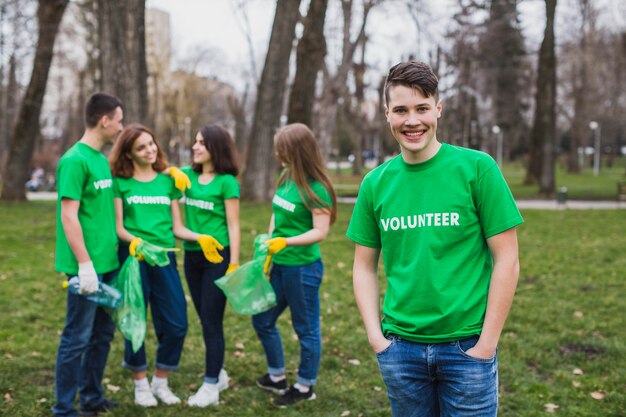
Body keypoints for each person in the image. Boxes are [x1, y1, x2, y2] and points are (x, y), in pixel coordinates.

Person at [346, 60, 524, 417]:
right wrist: (377, 340)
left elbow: (508, 260)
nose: (412, 121)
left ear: (438, 110)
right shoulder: (375, 184)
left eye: (422, 108)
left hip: (467, 349)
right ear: (387, 114)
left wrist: (486, 344)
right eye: (401, 110)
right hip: (400, 350)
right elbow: (363, 267)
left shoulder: (477, 169)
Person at [108, 123, 224, 408]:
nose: (149, 150)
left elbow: (177, 227)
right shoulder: (120, 182)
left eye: (151, 144)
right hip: (134, 259)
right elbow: (119, 227)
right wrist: (134, 242)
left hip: (164, 258)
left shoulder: (168, 181)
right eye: (140, 147)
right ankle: (140, 386)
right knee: (134, 322)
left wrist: (201, 237)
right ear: (128, 154)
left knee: (176, 323)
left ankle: (160, 381)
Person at [252, 123, 337, 407]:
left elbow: (320, 232)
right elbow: (277, 212)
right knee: (262, 319)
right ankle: (277, 377)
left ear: (297, 151)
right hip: (279, 264)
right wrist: (269, 243)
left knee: (306, 329)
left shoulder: (318, 188)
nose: (278, 153)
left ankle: (304, 386)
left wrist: (286, 243)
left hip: (302, 271)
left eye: (282, 148)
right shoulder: (286, 175)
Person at [53, 92, 124, 417]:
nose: (120, 128)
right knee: (76, 338)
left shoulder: (100, 160)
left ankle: (92, 397)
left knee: (101, 337)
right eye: (119, 121)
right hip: (85, 269)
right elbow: (69, 216)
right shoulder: (74, 160)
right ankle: (64, 409)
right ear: (104, 120)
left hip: (108, 265)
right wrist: (84, 265)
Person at [180, 125, 240, 407]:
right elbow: (163, 175)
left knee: (212, 320)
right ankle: (220, 373)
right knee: (204, 318)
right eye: (195, 141)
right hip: (191, 256)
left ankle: (210, 387)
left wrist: (235, 262)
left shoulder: (227, 182)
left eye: (201, 143)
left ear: (215, 147)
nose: (195, 147)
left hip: (218, 258)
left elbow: (233, 224)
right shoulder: (187, 176)